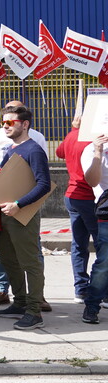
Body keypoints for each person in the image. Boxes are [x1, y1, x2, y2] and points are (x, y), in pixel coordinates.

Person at [0, 99, 49, 309]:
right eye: (4, 122)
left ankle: (34, 309)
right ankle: (19, 302)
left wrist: (19, 204)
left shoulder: (34, 150)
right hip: (5, 215)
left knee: (30, 263)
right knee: (9, 261)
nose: (5, 126)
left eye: (10, 123)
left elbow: (44, 185)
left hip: (22, 215)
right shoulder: (10, 149)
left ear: (25, 124)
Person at [57, 115, 97, 303]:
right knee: (102, 245)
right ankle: (101, 292)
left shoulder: (72, 136)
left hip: (72, 196)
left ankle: (80, 289)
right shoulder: (95, 140)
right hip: (91, 197)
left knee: (78, 245)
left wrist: (73, 130)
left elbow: (59, 152)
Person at [79, 133, 108, 323]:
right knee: (105, 263)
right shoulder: (91, 149)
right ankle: (92, 306)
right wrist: (98, 153)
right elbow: (92, 181)